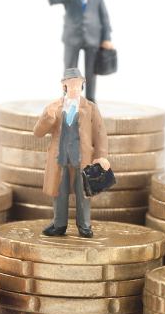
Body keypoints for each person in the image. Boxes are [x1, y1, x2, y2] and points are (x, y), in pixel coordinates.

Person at [33, 68, 110, 238]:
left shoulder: (91, 108)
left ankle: (84, 225)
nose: (75, 89)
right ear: (64, 86)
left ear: (82, 85)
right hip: (60, 158)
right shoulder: (55, 107)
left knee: (84, 192)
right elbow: (38, 132)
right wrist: (48, 114)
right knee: (59, 191)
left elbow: (100, 133)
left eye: (78, 86)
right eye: (71, 86)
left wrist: (101, 156)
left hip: (82, 158)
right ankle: (59, 224)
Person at [48, 0, 113, 102]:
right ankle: (67, 100)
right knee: (70, 71)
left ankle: (90, 101)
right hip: (72, 38)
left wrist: (106, 38)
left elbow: (104, 16)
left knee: (91, 72)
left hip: (92, 38)